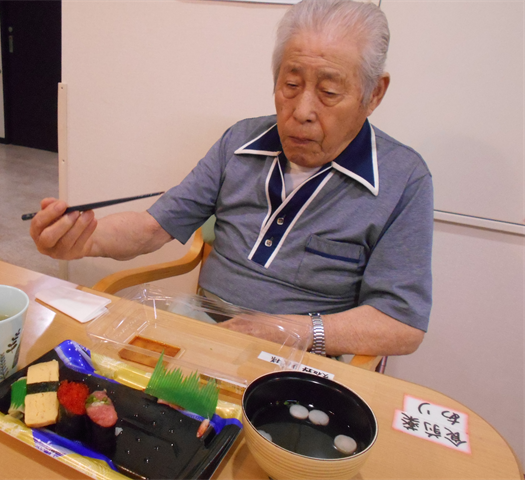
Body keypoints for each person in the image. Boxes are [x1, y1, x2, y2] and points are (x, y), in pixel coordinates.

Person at [30, 0, 433, 358]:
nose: (302, 110)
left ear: (374, 94)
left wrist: (291, 331)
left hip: (302, 354)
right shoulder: (241, 142)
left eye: (328, 92)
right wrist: (86, 239)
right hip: (205, 327)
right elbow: (152, 228)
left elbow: (401, 324)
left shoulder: (404, 179)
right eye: (290, 85)